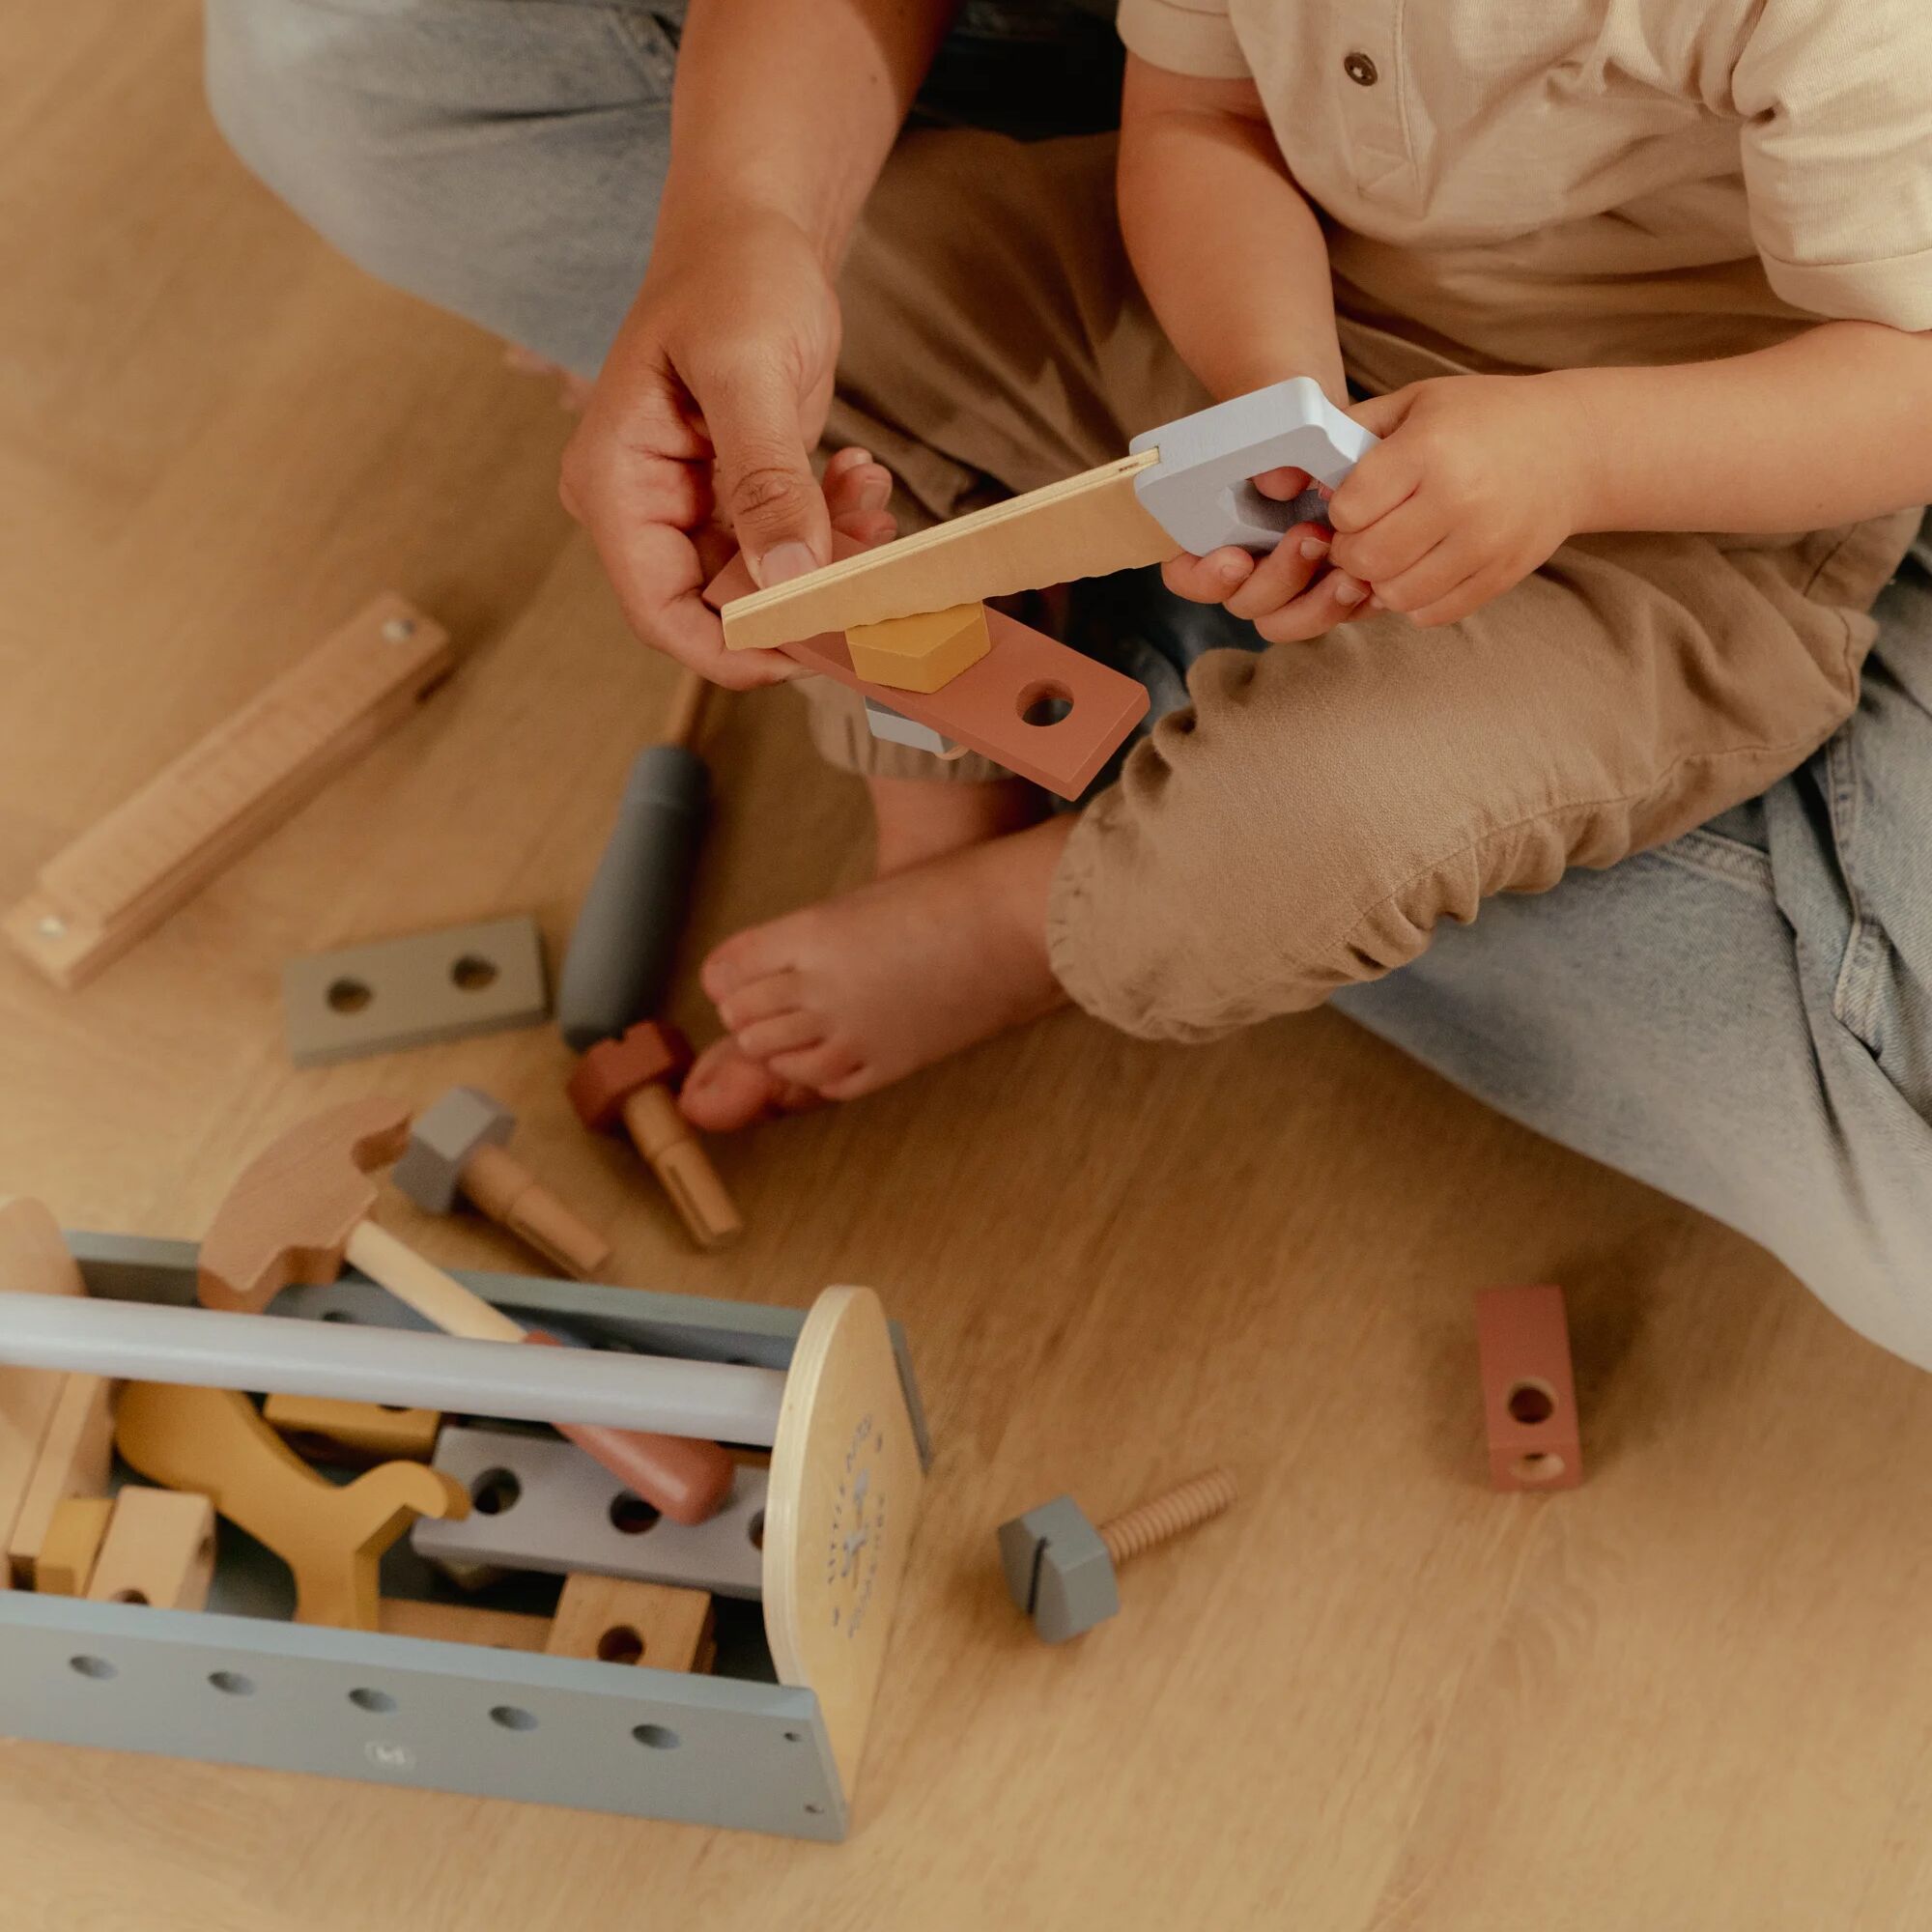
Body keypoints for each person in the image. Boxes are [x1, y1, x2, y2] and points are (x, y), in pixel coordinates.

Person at [204, 0, 1932, 1369]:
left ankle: (1034, 920)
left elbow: (1904, 380)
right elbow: (1203, 121)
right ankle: (935, 788)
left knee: (1319, 818)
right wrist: (1276, 398)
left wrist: (1572, 453)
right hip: (1313, 310)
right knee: (829, 342)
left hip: (1679, 519)